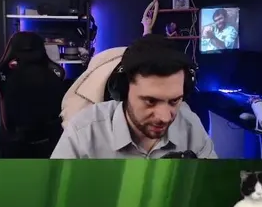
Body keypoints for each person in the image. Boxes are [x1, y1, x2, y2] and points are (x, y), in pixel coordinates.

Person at [51, 35, 217, 159]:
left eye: (174, 101)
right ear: (123, 90)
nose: (165, 117)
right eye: (150, 101)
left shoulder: (190, 126)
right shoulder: (83, 132)